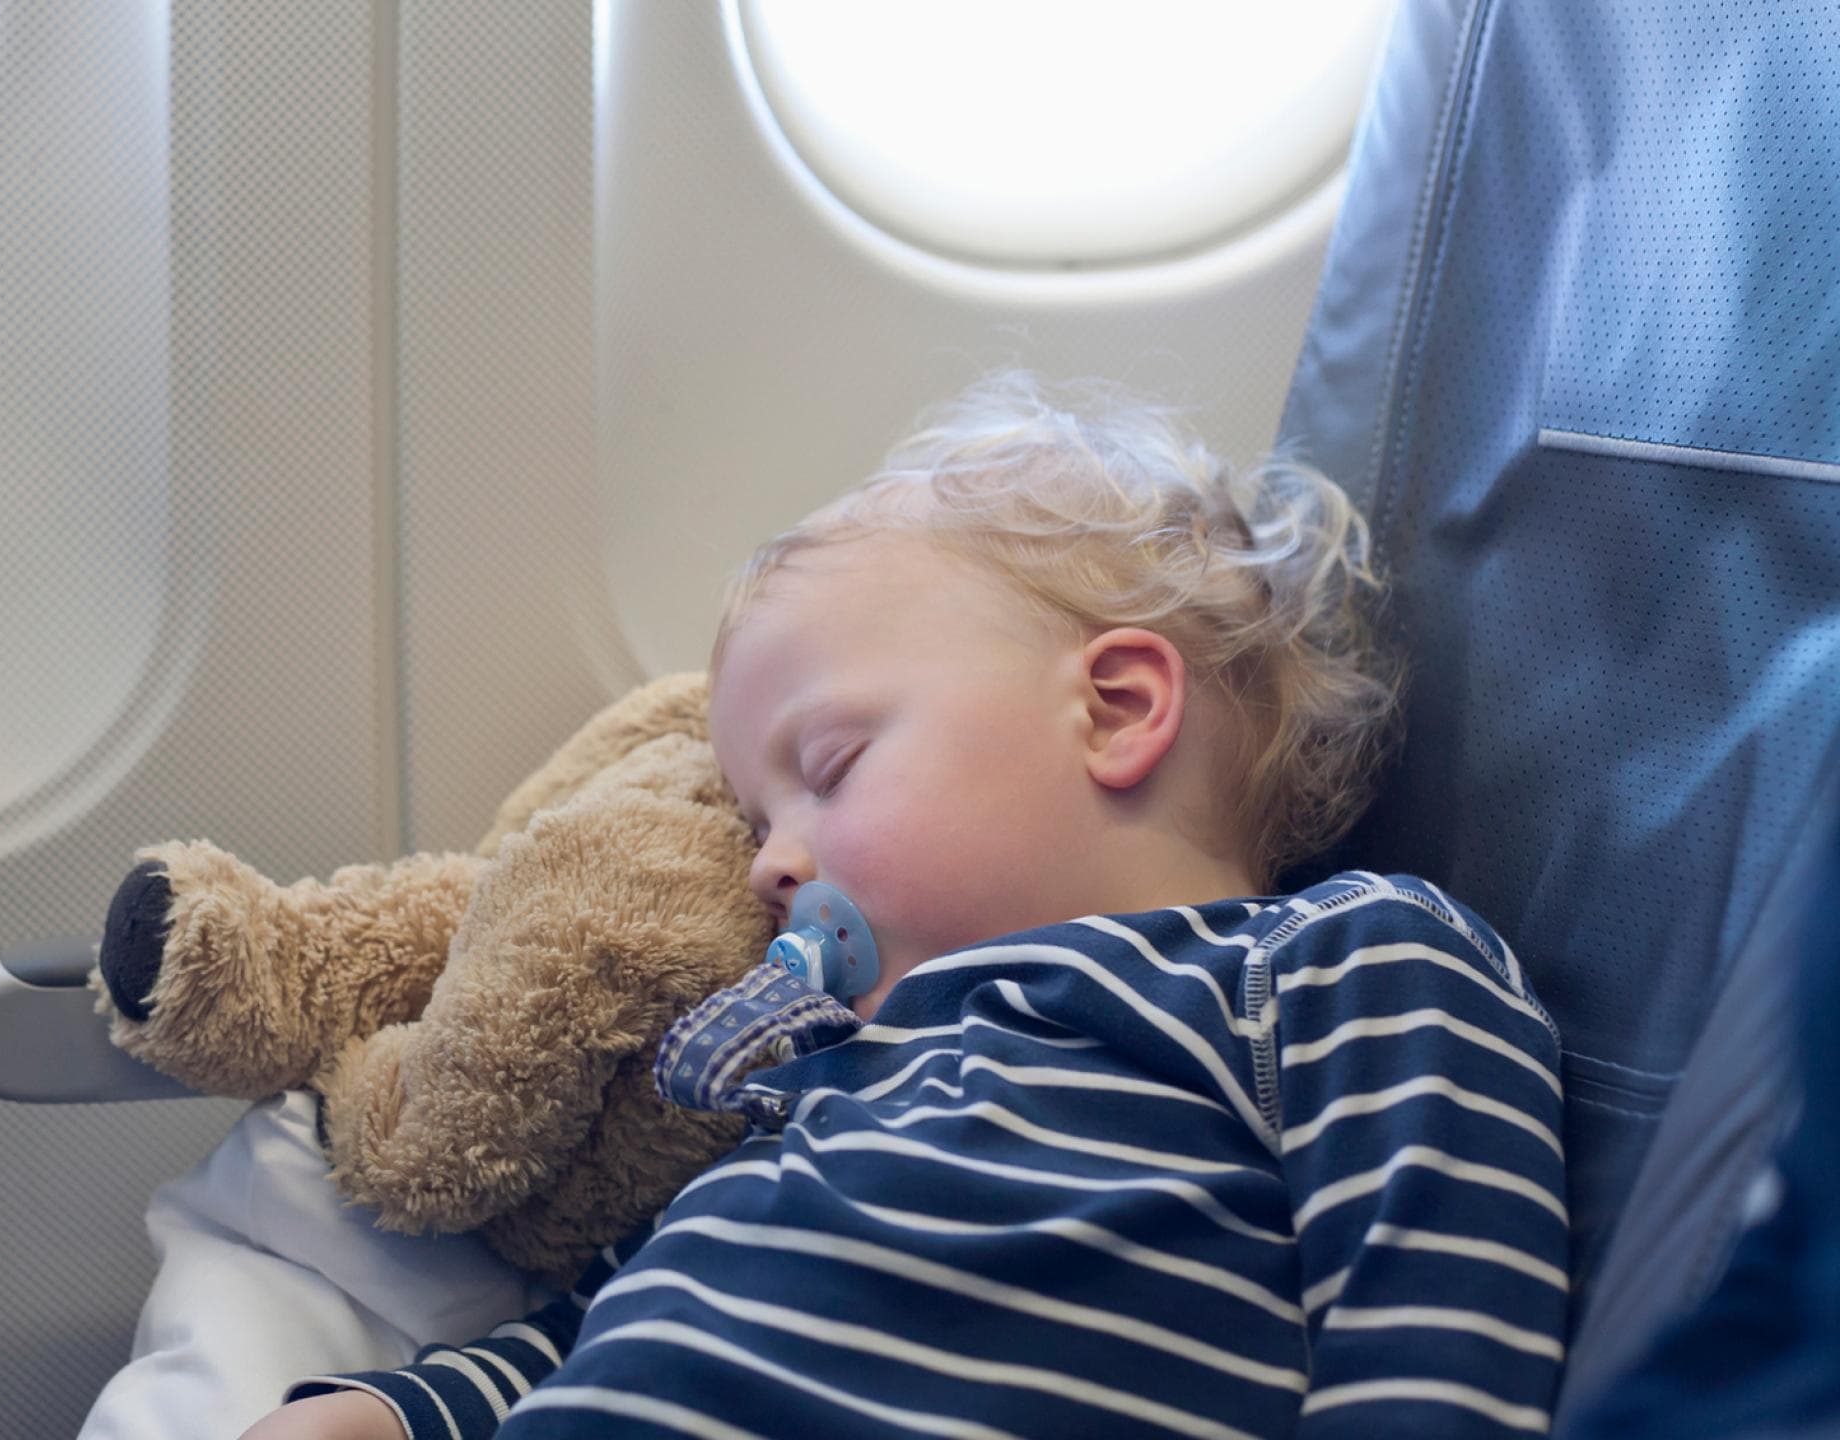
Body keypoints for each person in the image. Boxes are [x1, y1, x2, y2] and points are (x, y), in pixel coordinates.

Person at [244, 372, 1568, 1438]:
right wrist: (401, 1410)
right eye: (759, 822)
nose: (770, 865)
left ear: (1115, 710)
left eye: (829, 771)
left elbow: (1436, 1319)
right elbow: (627, 1316)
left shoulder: (1333, 966)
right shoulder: (823, 1077)